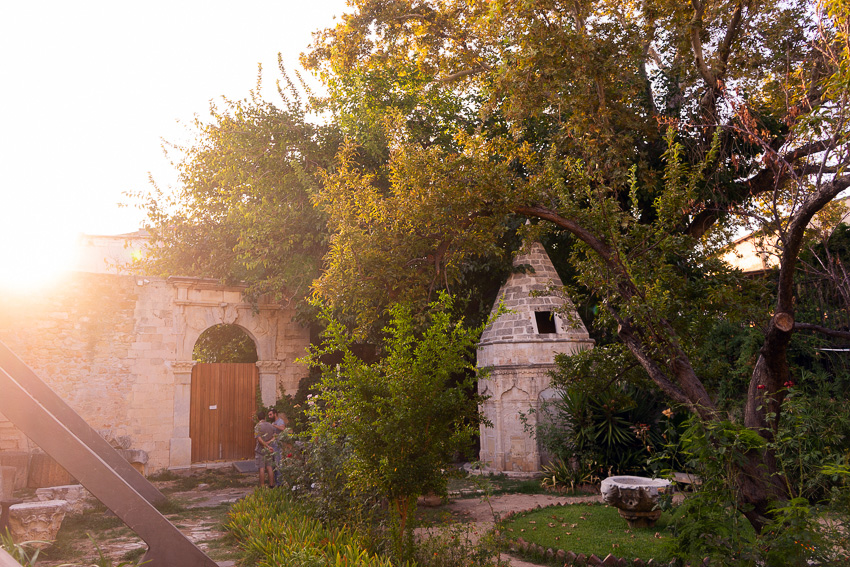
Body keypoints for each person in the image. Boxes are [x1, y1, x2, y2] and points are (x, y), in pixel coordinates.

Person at [254, 409, 276, 488]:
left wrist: (265, 445)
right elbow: (275, 436)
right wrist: (269, 443)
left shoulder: (257, 427)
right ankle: (271, 484)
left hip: (260, 450)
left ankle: (262, 486)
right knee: (270, 467)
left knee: (262, 468)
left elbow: (259, 439)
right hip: (270, 450)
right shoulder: (270, 425)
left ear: (258, 418)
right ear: (265, 417)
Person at [267, 408, 287, 485]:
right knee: (273, 465)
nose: (269, 416)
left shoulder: (280, 421)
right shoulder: (273, 422)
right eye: (268, 415)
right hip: (273, 446)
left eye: (270, 414)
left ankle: (280, 484)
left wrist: (274, 426)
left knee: (278, 464)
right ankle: (276, 482)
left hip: (278, 446)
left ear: (275, 414)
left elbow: (283, 428)